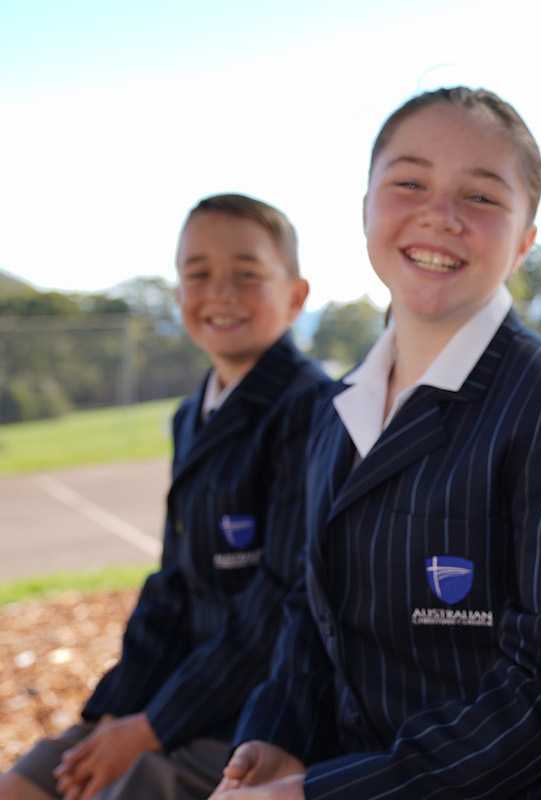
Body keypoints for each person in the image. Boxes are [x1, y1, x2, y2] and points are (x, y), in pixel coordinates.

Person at [211, 87, 541, 800]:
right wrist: (274, 734)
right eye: (408, 183)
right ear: (365, 207)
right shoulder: (335, 406)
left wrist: (324, 793)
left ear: (525, 238)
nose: (439, 216)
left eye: (480, 197)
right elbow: (307, 611)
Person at [0, 193, 329, 800]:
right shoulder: (189, 417)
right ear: (177, 292)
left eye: (246, 274)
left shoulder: (313, 409)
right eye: (198, 274)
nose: (221, 293)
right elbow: (172, 586)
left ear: (296, 296)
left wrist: (151, 728)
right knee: (28, 782)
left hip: (258, 713)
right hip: (177, 692)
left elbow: (281, 607)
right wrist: (110, 716)